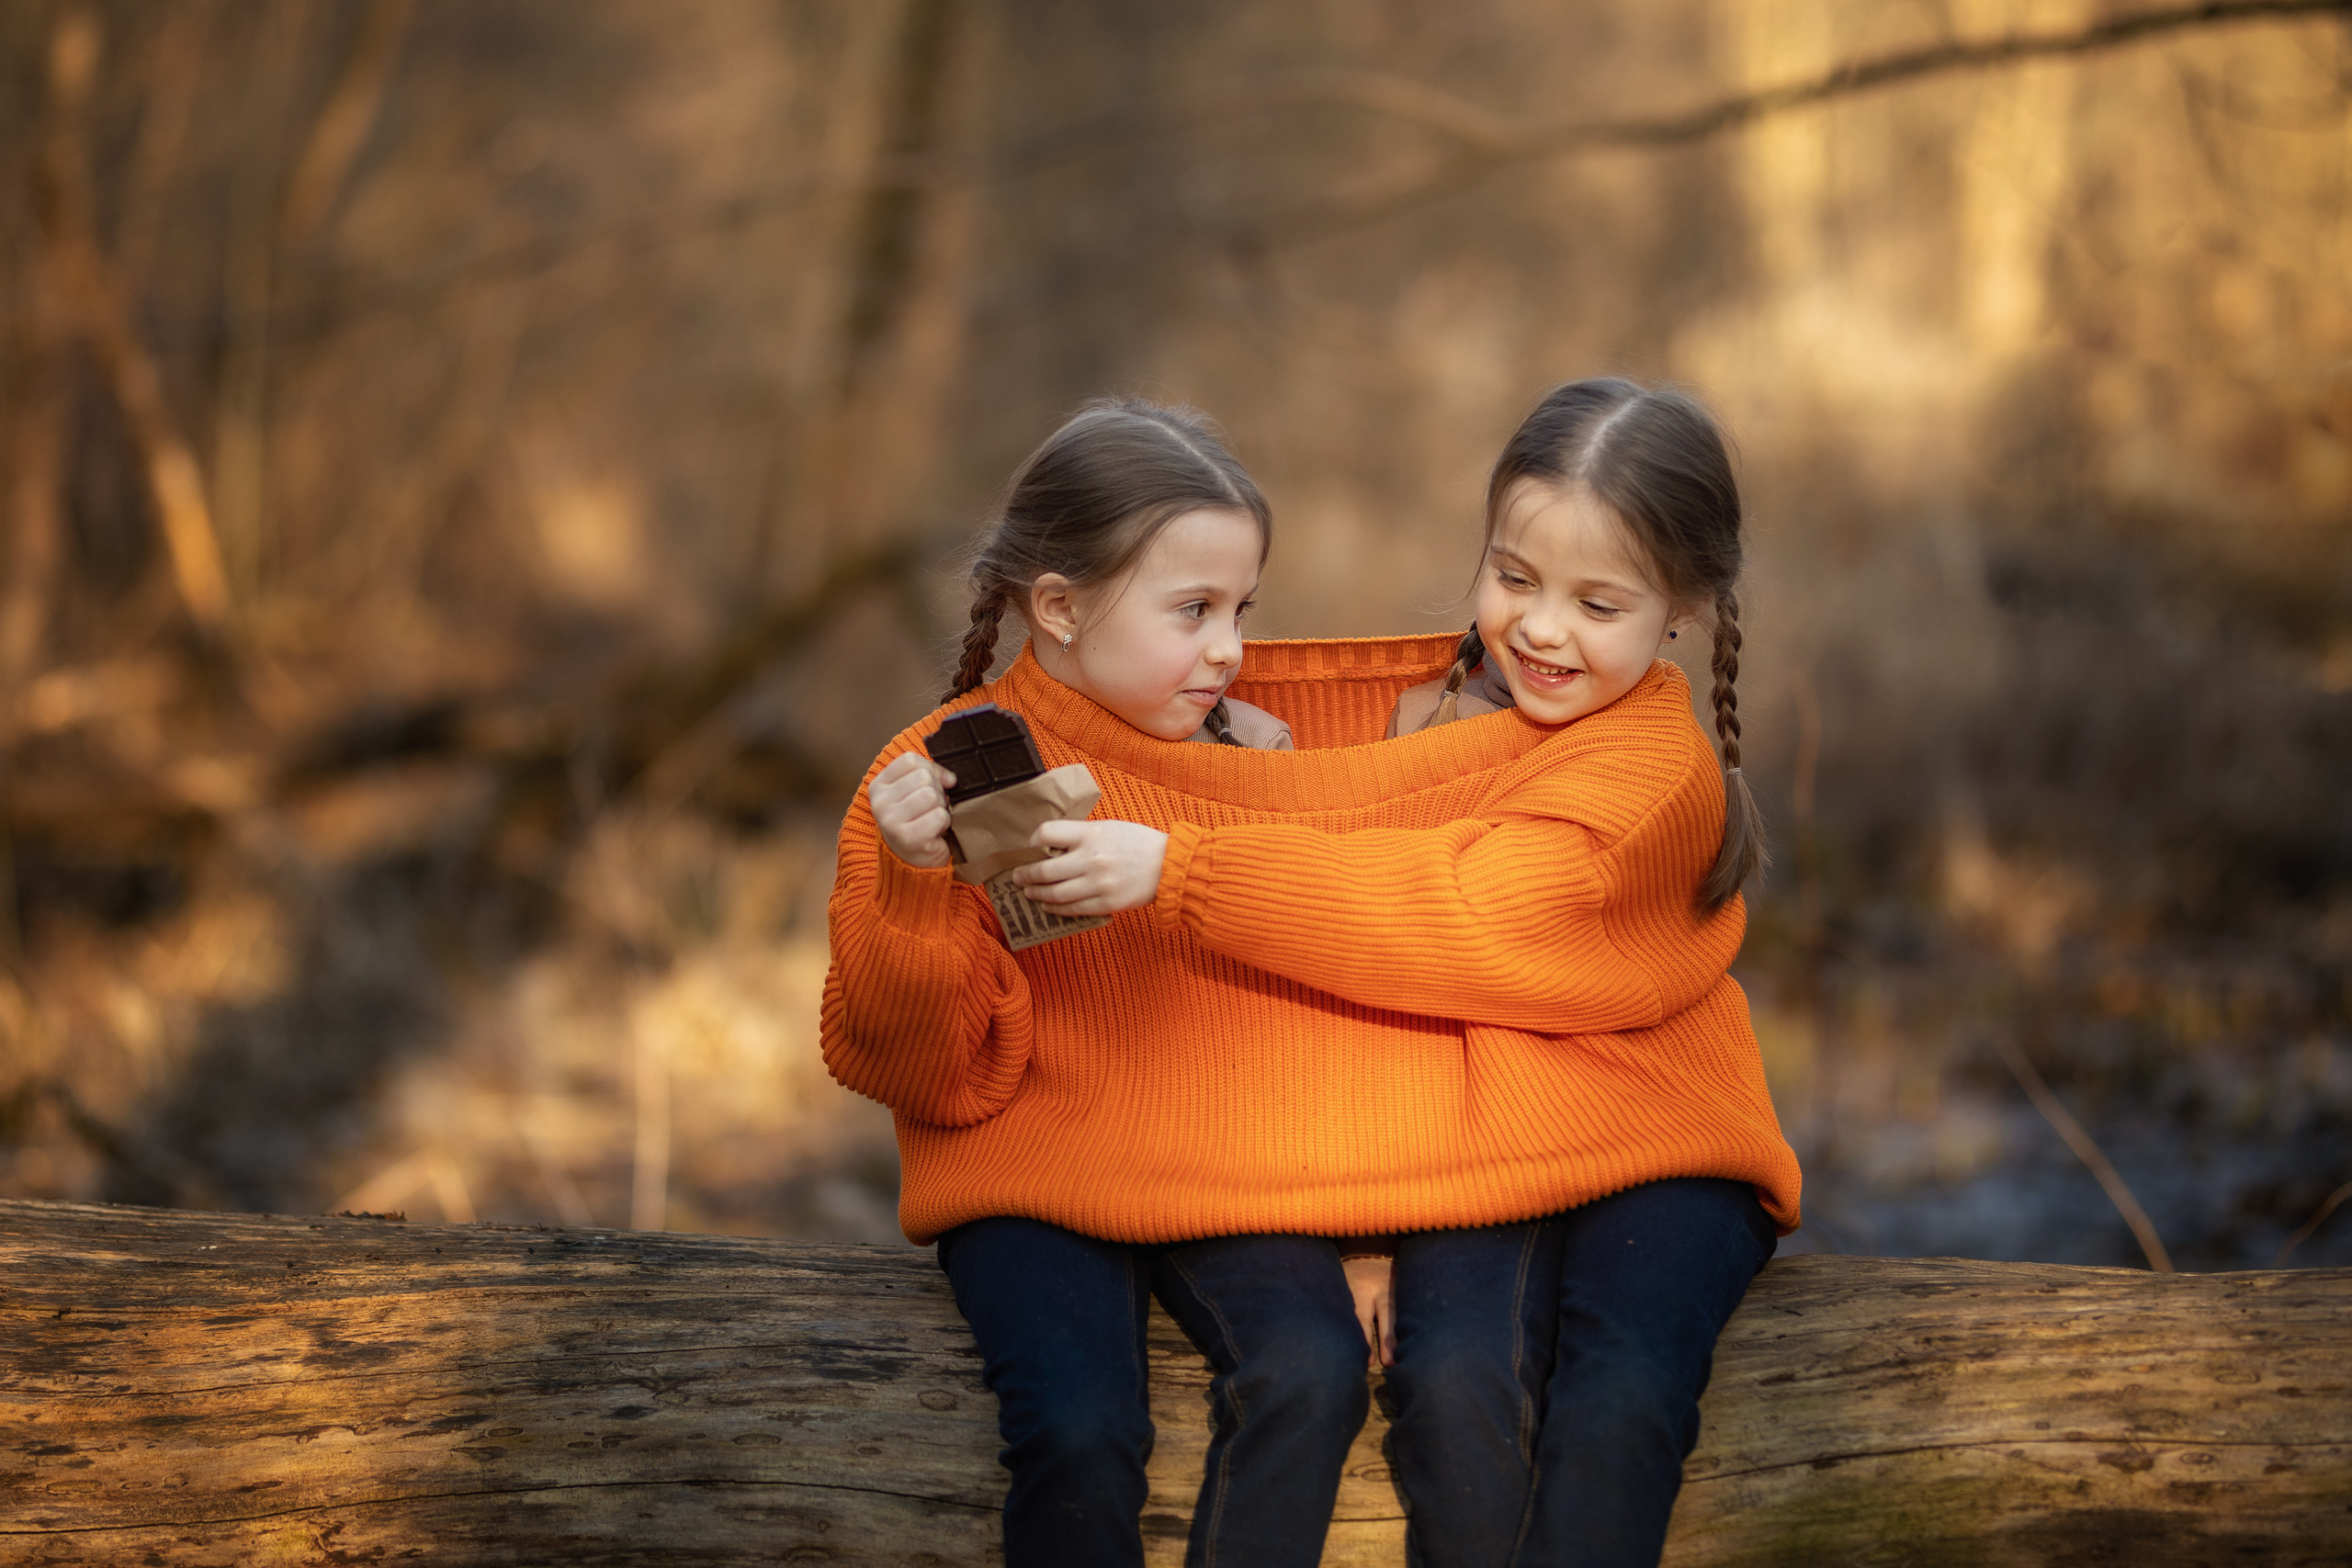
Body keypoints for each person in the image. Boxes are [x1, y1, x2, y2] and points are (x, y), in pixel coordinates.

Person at [1006, 377, 1799, 1567]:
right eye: (1514, 577)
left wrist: (1185, 872)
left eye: (1598, 601)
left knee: (1616, 1396)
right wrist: (1353, 1221)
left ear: (1682, 605)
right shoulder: (1418, 723)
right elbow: (1356, 984)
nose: (1541, 627)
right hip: (1480, 1140)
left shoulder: (1648, 777)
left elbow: (1450, 913)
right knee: (1452, 1380)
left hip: (1661, 1139)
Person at [829, 397, 1364, 1568]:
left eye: (1240, 610)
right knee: (1080, 1429)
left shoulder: (1260, 762)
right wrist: (916, 883)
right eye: (1192, 611)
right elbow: (910, 1069)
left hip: (1221, 1165)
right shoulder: (923, 783)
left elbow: (1317, 1009)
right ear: (1060, 607)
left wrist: (1368, 1233)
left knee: (1317, 1373)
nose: (1229, 648)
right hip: (1027, 1174)